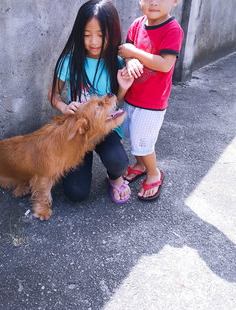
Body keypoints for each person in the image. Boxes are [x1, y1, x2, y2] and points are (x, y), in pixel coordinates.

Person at [48, 0, 134, 203]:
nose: (94, 41)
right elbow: (53, 95)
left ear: (111, 33)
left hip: (106, 129)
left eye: (101, 35)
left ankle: (115, 178)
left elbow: (117, 103)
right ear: (79, 34)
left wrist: (123, 87)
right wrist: (64, 106)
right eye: (87, 35)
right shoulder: (69, 61)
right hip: (78, 130)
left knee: (119, 162)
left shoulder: (117, 62)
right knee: (76, 192)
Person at [118, 0, 184, 200]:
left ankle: (154, 173)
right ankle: (140, 165)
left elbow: (165, 64)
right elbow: (125, 52)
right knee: (132, 137)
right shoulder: (137, 24)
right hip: (132, 96)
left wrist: (134, 53)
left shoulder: (173, 30)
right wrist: (130, 61)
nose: (153, 2)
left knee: (143, 142)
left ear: (174, 1)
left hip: (151, 103)